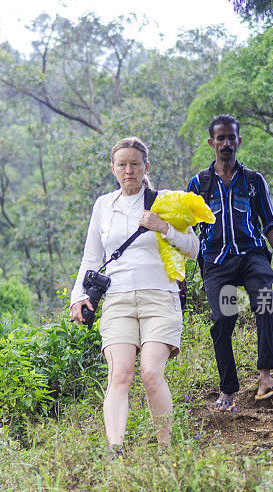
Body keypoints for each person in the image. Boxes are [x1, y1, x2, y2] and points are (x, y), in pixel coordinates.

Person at [69, 137, 199, 454]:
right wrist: (77, 297)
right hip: (117, 299)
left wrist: (164, 227)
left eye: (135, 164)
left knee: (151, 373)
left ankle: (166, 449)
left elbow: (195, 248)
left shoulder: (165, 200)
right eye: (122, 164)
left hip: (160, 296)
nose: (129, 170)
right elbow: (90, 258)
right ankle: (116, 449)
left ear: (146, 167)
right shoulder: (103, 205)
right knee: (120, 373)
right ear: (113, 169)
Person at [186, 114, 273, 412]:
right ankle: (228, 391)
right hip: (217, 263)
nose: (226, 143)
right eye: (220, 138)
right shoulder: (199, 184)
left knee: (265, 302)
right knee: (224, 318)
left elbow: (269, 223)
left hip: (252, 257)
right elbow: (186, 230)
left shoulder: (254, 181)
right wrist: (177, 271)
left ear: (238, 141)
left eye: (231, 138)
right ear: (212, 143)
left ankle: (266, 379)